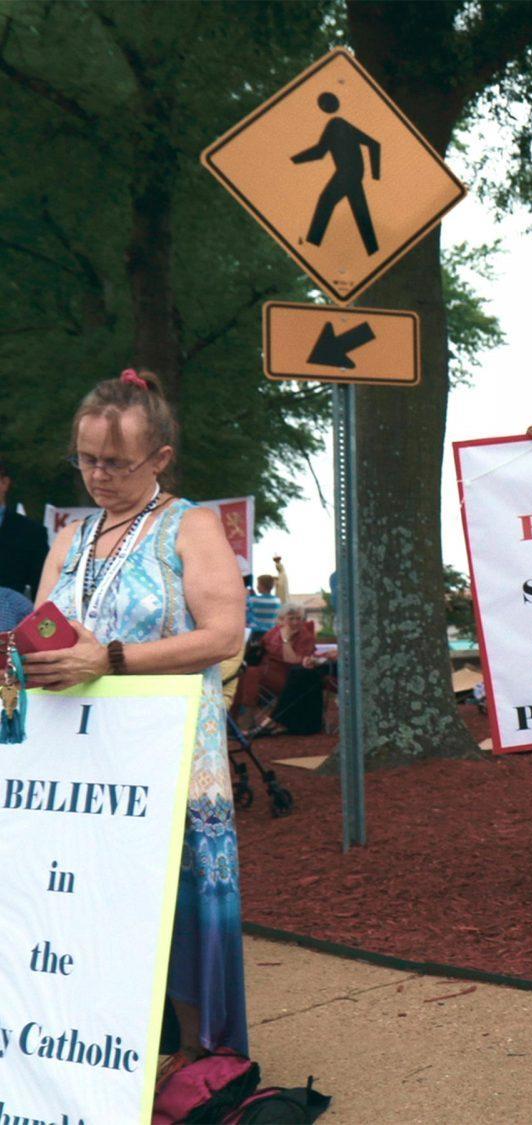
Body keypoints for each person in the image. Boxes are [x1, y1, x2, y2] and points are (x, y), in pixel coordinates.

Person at [23, 368, 249, 1075]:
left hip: (169, 750)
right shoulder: (69, 537)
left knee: (175, 891)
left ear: (159, 459)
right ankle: (95, 1041)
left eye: (115, 463)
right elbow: (45, 631)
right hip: (79, 757)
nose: (97, 475)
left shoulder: (192, 524)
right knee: (88, 892)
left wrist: (110, 659)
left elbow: (224, 635)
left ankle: (194, 1050)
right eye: (85, 459)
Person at [249, 604, 329, 737]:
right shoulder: (273, 632)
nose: (296, 622)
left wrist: (286, 640)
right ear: (281, 620)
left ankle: (255, 723)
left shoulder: (305, 637)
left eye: (299, 619)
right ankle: (238, 721)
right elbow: (260, 650)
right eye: (291, 619)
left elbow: (291, 660)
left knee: (251, 675)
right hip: (267, 671)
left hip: (290, 678)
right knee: (247, 673)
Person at [0, 457, 50, 599]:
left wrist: (46, 622)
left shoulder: (31, 533)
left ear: (4, 483)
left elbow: (43, 592)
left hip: (11, 617)